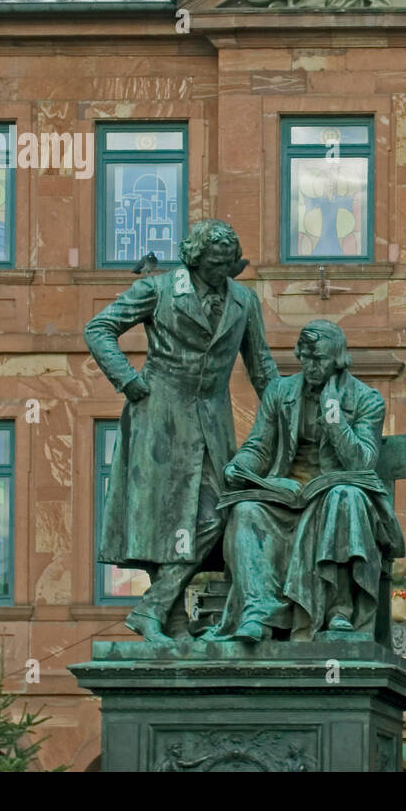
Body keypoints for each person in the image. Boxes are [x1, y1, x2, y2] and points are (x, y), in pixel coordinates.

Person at [85, 219, 278, 644]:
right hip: (160, 416)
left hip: (213, 419)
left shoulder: (244, 301)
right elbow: (99, 329)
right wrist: (128, 380)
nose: (221, 271)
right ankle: (170, 621)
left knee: (217, 512)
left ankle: (151, 609)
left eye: (229, 263)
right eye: (214, 263)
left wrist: (287, 412)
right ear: (194, 258)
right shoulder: (158, 289)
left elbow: (261, 366)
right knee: (164, 517)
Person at [205, 320, 404, 642]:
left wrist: (335, 419)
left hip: (335, 494)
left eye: (320, 360)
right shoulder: (280, 392)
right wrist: (239, 466)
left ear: (338, 359)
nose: (312, 366)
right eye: (306, 358)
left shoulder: (367, 399)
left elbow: (363, 462)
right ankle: (258, 614)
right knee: (246, 510)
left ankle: (338, 611)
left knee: (344, 496)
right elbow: (260, 445)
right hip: (286, 497)